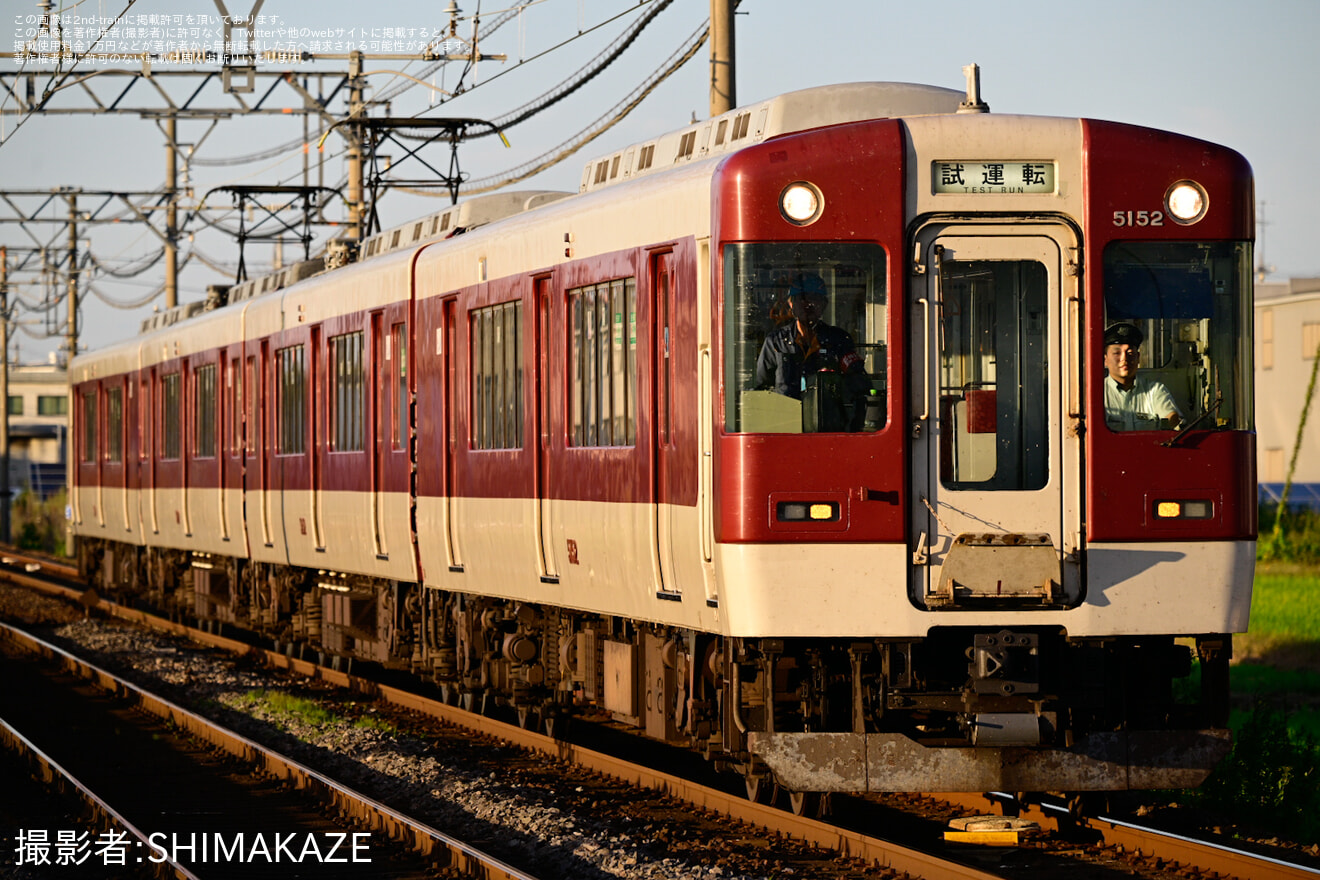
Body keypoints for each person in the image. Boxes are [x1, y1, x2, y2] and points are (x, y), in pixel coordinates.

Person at [756, 272, 869, 430]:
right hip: (785, 427)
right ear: (791, 303)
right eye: (801, 298)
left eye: (814, 298)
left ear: (824, 304)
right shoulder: (776, 342)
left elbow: (858, 386)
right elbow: (762, 389)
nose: (807, 304)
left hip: (828, 429)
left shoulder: (839, 340)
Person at [1103, 321, 1182, 431]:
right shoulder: (1097, 394)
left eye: (1130, 353)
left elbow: (1172, 418)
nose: (1124, 359)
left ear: (1138, 357)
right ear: (1105, 359)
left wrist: (1172, 420)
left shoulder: (1154, 390)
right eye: (1117, 353)